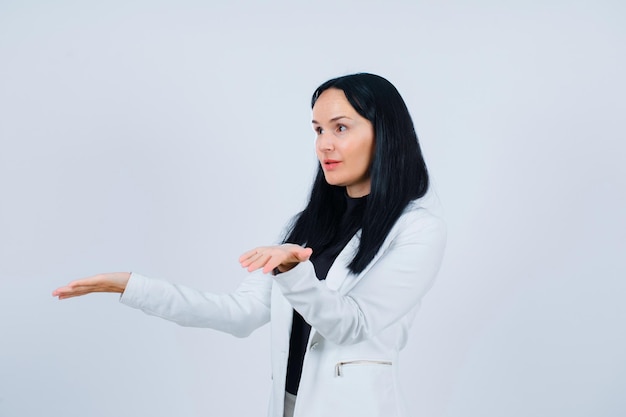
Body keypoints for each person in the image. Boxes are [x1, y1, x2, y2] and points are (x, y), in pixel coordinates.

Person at [53, 73, 447, 417]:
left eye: (340, 127)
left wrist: (293, 272)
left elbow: (352, 324)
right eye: (317, 129)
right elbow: (239, 313)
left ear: (386, 133)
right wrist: (132, 286)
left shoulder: (416, 230)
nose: (324, 144)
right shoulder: (308, 225)